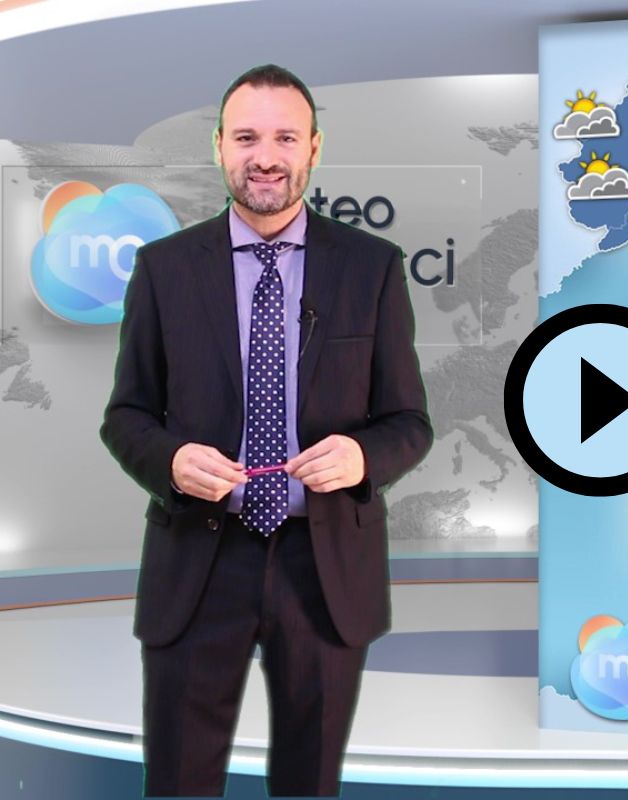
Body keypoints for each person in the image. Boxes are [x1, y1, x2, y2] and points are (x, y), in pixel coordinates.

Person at [99, 63, 433, 797]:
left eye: (285, 137)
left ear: (315, 147)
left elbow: (409, 423)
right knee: (179, 782)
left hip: (326, 569)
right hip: (198, 561)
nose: (266, 157)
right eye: (247, 137)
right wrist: (171, 460)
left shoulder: (372, 269)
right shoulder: (163, 270)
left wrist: (361, 456)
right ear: (219, 146)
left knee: (308, 784)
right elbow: (126, 416)